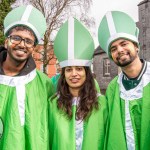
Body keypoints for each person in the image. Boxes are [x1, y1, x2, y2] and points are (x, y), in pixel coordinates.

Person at [0, 5, 54, 149]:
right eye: (16, 38)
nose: (22, 44)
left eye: (28, 41)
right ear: (6, 42)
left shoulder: (45, 84)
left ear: (33, 48)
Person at [49, 18, 108, 150]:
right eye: (69, 69)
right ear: (63, 74)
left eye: (79, 68)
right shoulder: (53, 104)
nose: (74, 74)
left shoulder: (102, 103)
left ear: (87, 72)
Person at [98, 11, 150, 150]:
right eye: (113, 49)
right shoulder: (113, 88)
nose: (119, 50)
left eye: (124, 43)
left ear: (136, 46)